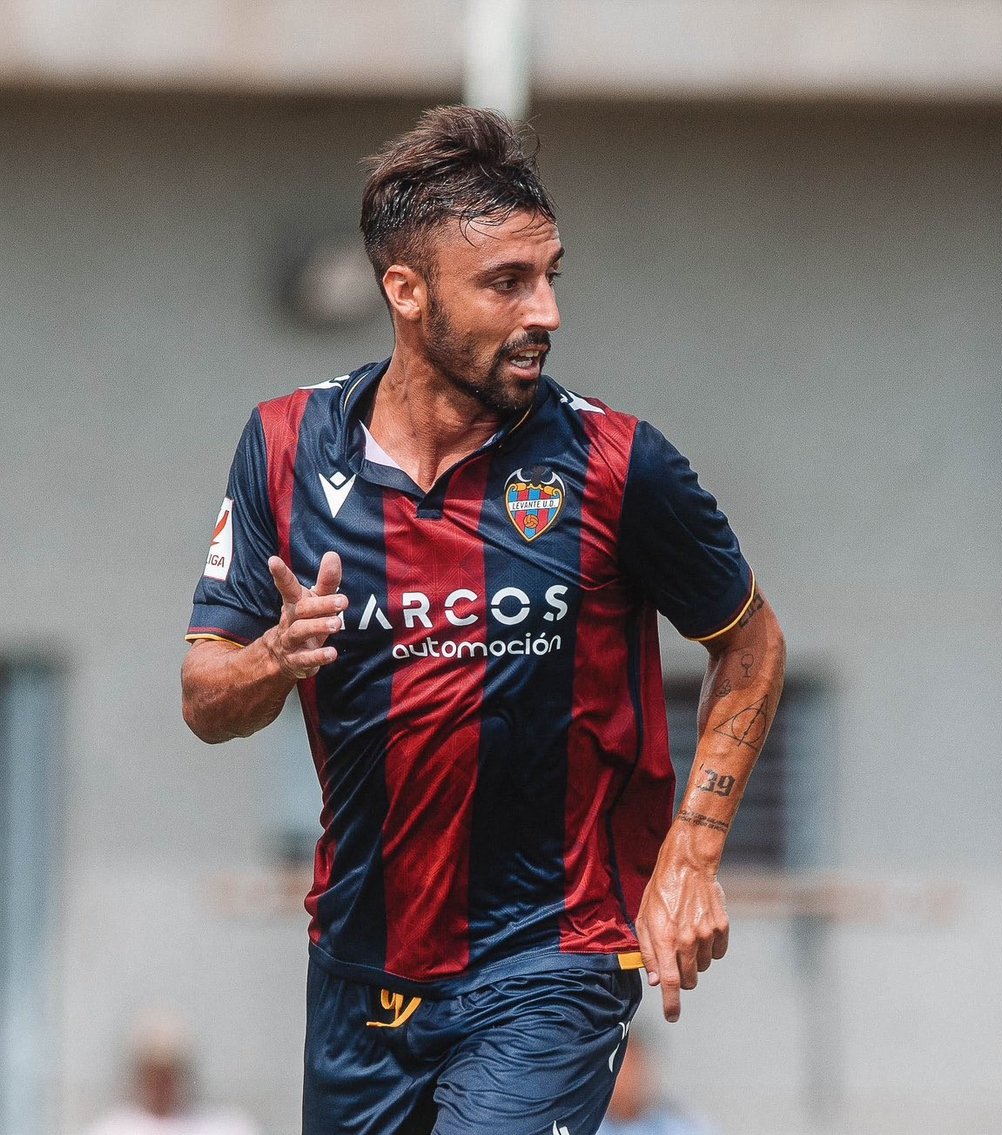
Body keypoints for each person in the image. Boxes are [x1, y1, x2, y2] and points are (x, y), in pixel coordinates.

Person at [180, 105, 785, 1135]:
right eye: (507, 283)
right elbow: (206, 698)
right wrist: (278, 657)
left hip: (553, 957)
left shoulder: (615, 464)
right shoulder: (286, 447)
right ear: (406, 292)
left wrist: (690, 854)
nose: (543, 309)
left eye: (550, 275)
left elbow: (749, 643)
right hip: (360, 965)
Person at [82, 1013, 260, 1135]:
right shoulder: (111, 1129)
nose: (160, 1082)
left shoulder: (226, 1126)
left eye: (168, 1071)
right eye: (152, 1072)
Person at [597, 1030, 719, 1135]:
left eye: (635, 1067)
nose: (627, 1080)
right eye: (620, 1070)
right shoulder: (585, 1124)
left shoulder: (680, 1125)